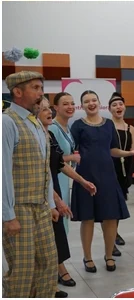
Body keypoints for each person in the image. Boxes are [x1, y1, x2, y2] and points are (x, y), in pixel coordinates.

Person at [2, 72, 59, 299]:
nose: (40, 93)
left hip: (42, 207)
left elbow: (44, 168)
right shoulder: (6, 122)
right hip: (20, 209)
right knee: (22, 272)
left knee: (48, 266)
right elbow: (2, 171)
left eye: (41, 88)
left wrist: (52, 203)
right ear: (18, 92)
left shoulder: (36, 124)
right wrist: (8, 215)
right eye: (35, 88)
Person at [70, 90, 134, 273]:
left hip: (108, 176)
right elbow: (72, 149)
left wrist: (129, 153)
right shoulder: (77, 126)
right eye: (86, 101)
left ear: (99, 102)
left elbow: (113, 149)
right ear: (81, 106)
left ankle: (109, 255)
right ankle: (88, 257)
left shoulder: (108, 125)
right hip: (86, 176)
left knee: (110, 216)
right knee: (88, 218)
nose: (91, 103)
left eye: (94, 100)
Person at [41, 97, 95, 297]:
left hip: (57, 182)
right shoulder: (48, 130)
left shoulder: (54, 132)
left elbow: (59, 162)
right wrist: (57, 200)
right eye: (44, 108)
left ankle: (56, 272)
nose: (70, 107)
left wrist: (82, 181)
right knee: (52, 232)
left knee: (59, 231)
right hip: (46, 187)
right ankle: (57, 273)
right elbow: (50, 166)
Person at [48, 92, 86, 289]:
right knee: (57, 224)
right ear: (55, 107)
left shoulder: (67, 127)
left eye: (72, 103)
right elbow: (56, 157)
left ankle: (56, 266)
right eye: (65, 104)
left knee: (63, 224)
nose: (70, 107)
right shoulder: (52, 127)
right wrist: (72, 158)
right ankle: (60, 268)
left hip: (65, 178)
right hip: (56, 179)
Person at [108, 94, 134, 251]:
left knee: (119, 205)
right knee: (111, 206)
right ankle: (110, 241)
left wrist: (129, 174)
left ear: (124, 107)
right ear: (109, 109)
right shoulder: (106, 125)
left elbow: (131, 150)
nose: (118, 107)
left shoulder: (130, 128)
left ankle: (115, 232)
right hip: (110, 168)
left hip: (124, 170)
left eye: (120, 104)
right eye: (114, 105)